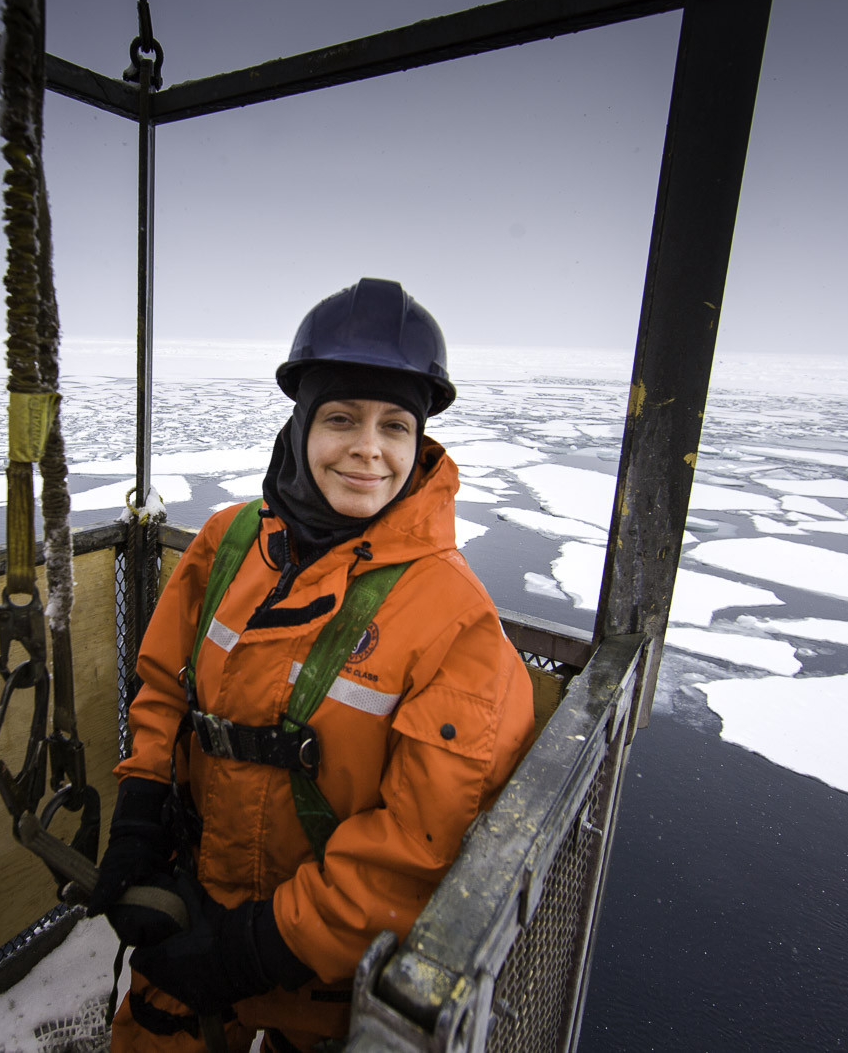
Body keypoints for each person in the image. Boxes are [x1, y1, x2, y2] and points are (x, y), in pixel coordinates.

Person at [86, 278, 537, 1053]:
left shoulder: (456, 624)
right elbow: (162, 687)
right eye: (341, 418)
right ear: (299, 426)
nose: (369, 448)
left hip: (320, 978)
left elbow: (417, 850)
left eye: (395, 425)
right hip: (193, 901)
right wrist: (140, 808)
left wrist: (252, 950)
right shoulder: (228, 545)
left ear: (420, 442)